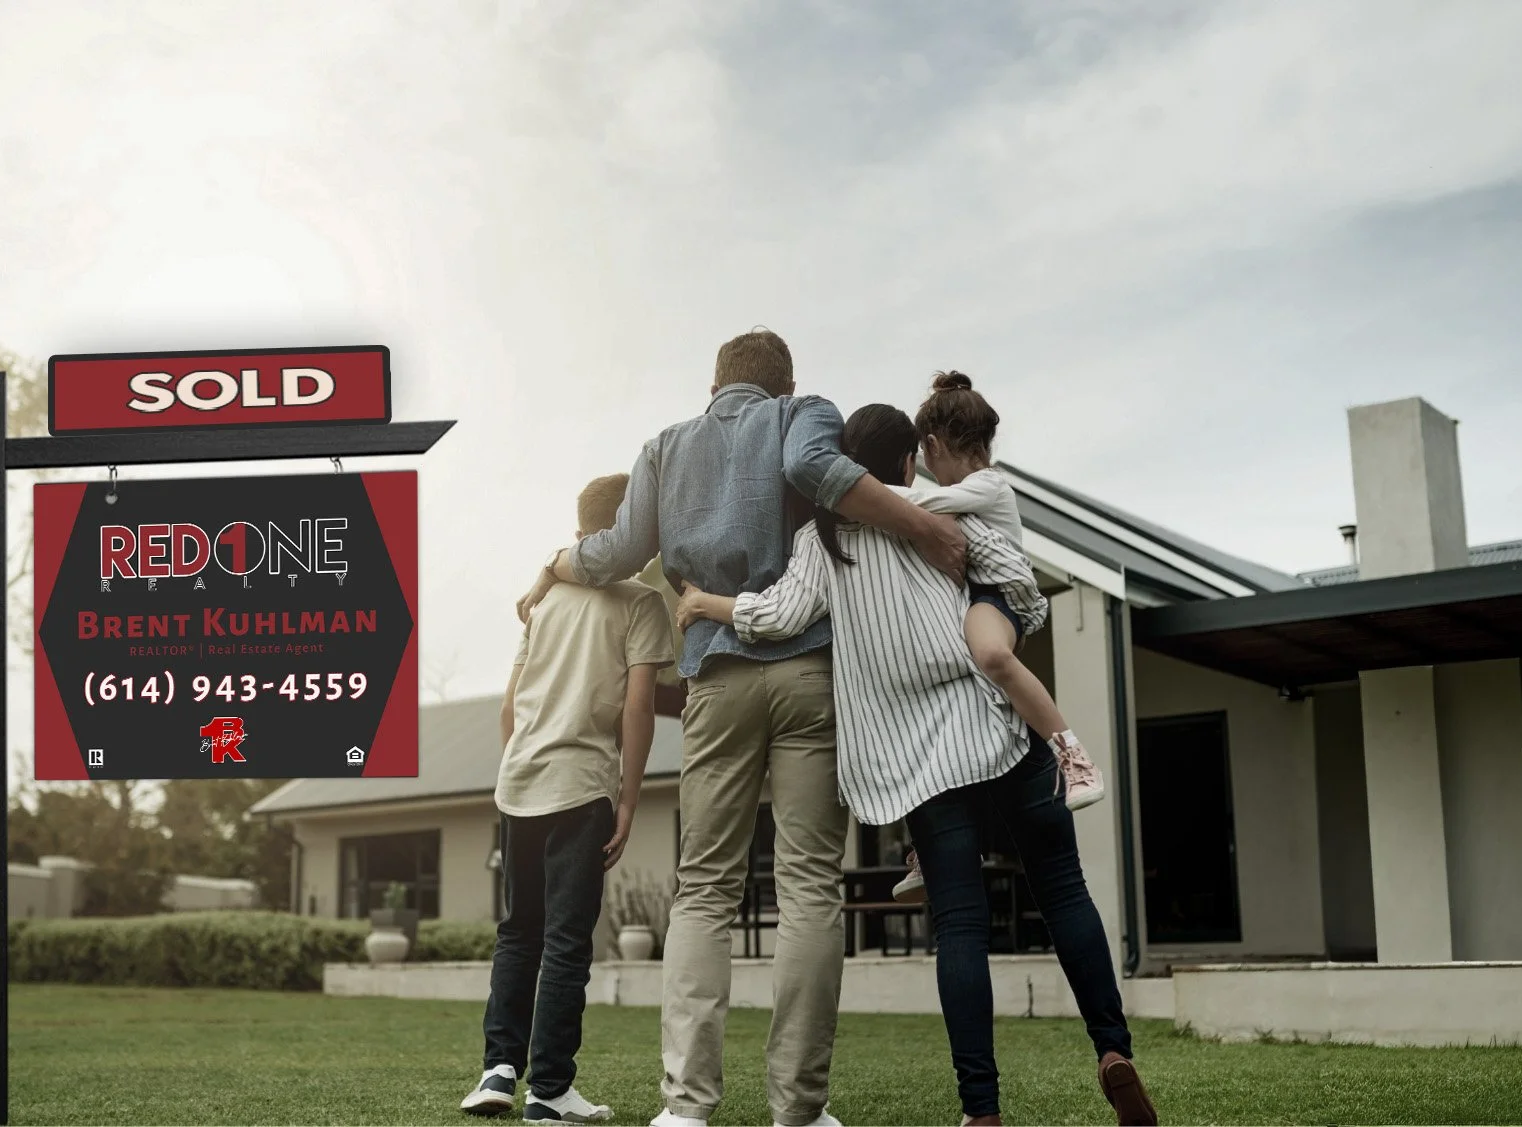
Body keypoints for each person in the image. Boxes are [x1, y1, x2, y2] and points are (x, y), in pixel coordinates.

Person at [518, 329, 967, 1127]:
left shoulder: (665, 445)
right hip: (807, 675)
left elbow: (619, 550)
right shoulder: (804, 412)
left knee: (704, 891)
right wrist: (923, 525)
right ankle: (798, 1107)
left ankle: (685, 1108)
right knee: (808, 888)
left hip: (716, 678)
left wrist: (557, 560)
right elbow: (813, 471)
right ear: (783, 383)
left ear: (715, 383)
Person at [675, 404, 1156, 1127]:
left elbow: (777, 614)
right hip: (996, 733)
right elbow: (1017, 584)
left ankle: (982, 1111)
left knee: (960, 926)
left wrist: (706, 602)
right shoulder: (936, 514)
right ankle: (1113, 1050)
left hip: (922, 769)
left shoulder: (822, 538)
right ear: (907, 463)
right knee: (1063, 891)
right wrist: (999, 618)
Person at [462, 473, 677, 1124]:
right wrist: (629, 799)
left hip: (520, 782)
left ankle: (498, 1070)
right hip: (580, 785)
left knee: (517, 932)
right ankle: (549, 1088)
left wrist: (518, 768)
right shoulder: (641, 602)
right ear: (630, 531)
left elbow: (508, 705)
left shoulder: (545, 598)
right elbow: (639, 705)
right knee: (564, 941)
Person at [891, 370, 1105, 906]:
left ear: (934, 446)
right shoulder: (970, 487)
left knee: (988, 653)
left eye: (925, 456)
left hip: (997, 600)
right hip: (969, 604)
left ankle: (1071, 753)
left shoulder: (987, 486)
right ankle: (923, 845)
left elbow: (916, 509)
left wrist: (854, 491)